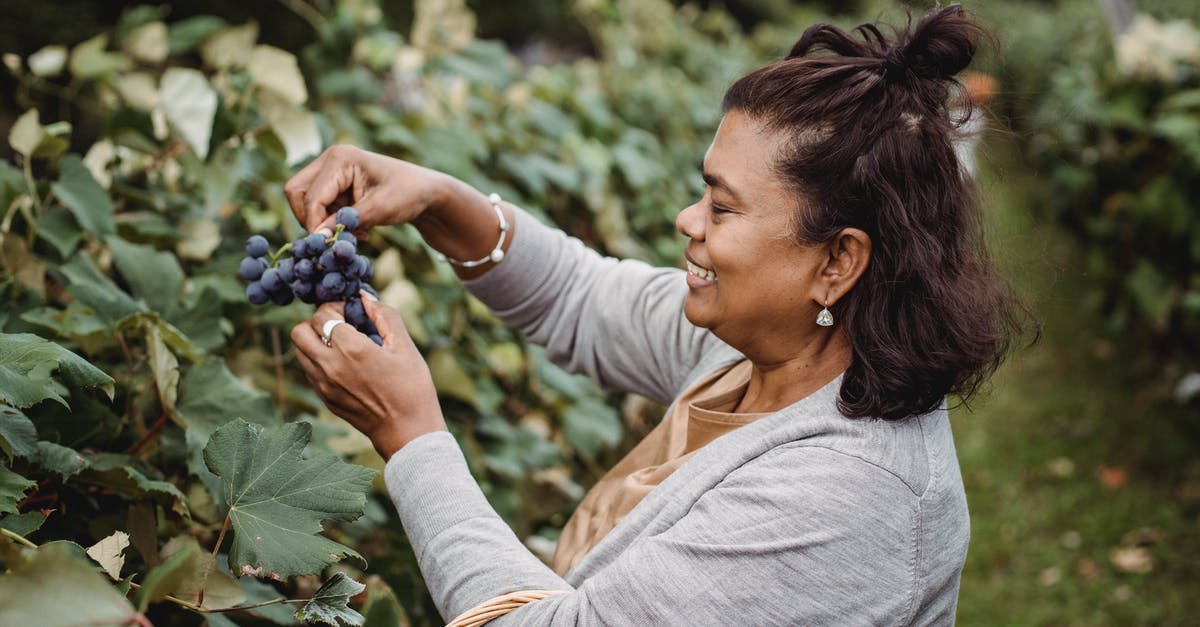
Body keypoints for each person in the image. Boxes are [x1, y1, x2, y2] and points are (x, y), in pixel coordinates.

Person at [285, 5, 1030, 625]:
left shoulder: (845, 498)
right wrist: (440, 198)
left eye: (722, 205)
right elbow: (578, 296)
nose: (687, 218)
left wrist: (412, 436)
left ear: (837, 261)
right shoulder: (767, 353)